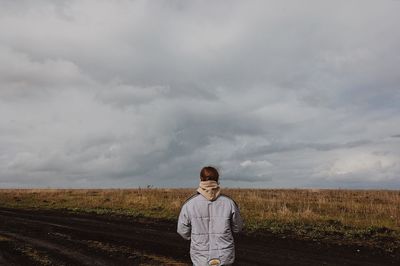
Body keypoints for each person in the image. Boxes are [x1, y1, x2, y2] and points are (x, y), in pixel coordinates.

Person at [177, 166, 243, 266]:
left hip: (200, 255)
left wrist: (196, 238)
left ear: (201, 179)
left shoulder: (189, 204)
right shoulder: (229, 203)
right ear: (217, 179)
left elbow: (182, 231)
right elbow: (238, 228)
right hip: (224, 254)